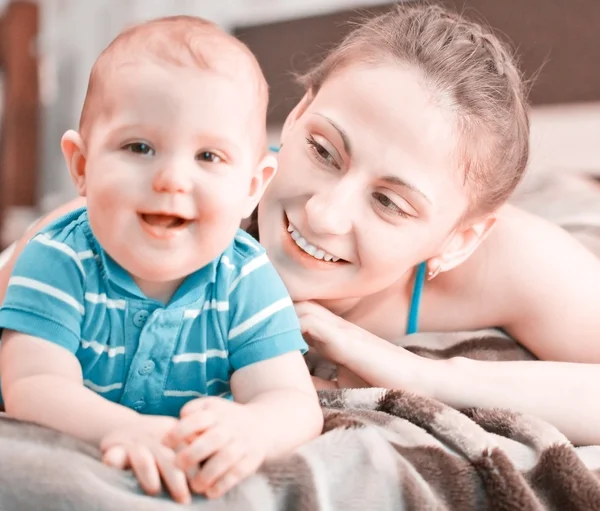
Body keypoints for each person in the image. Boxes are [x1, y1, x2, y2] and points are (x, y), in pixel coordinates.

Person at [3, 3, 600, 448]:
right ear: (295, 114)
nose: (322, 213)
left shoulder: (514, 263)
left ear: (458, 238)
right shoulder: (168, 205)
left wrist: (424, 374)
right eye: (322, 150)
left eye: (390, 202)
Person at [0, 16, 323, 504]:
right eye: (139, 147)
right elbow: (32, 383)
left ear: (252, 189)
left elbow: (294, 402)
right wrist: (123, 428)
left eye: (208, 156)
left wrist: (254, 427)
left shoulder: (244, 277)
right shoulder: (59, 256)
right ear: (82, 167)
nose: (172, 178)